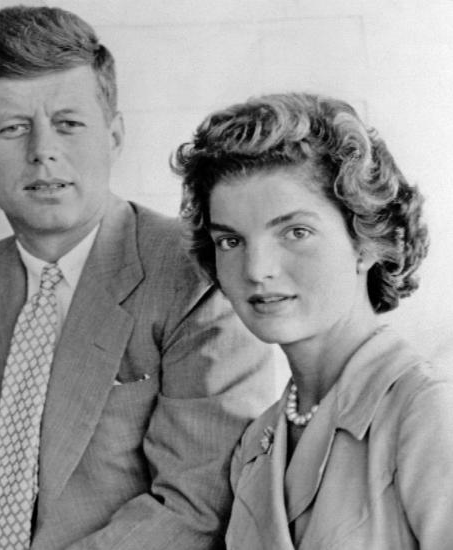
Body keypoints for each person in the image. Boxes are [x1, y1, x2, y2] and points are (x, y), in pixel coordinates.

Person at [0, 6, 275, 550]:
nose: (43, 152)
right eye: (12, 128)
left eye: (69, 124)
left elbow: (194, 509)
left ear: (114, 135)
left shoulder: (194, 271)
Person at [173, 92, 453, 549]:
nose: (257, 269)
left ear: (365, 241)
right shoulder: (256, 446)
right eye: (231, 241)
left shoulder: (428, 411)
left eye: (295, 233)